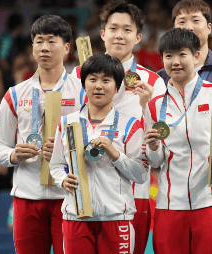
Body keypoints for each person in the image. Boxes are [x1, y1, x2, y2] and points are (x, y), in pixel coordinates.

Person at [71, 1, 165, 252]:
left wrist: (147, 106)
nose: (119, 35)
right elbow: (65, 130)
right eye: (113, 28)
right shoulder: (78, 76)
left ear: (138, 37)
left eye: (127, 29)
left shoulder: (153, 82)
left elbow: (159, 149)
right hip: (86, 192)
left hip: (135, 193)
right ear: (103, 34)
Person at [144, 28, 212, 254]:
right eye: (168, 56)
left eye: (182, 54)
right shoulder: (155, 105)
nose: (175, 62)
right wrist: (153, 146)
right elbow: (156, 160)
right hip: (170, 204)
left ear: (196, 56)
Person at [0, 15, 85, 254]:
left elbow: (95, 141)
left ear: (66, 48)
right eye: (39, 41)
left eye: (52, 41)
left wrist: (66, 152)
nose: (44, 47)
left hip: (69, 196)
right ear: (32, 47)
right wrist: (13, 155)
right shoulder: (14, 94)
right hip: (27, 198)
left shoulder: (84, 92)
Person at [50, 53, 148, 253]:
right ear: (84, 84)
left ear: (117, 87)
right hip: (75, 217)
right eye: (92, 79)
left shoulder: (130, 125)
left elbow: (141, 174)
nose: (98, 86)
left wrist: (115, 154)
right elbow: (56, 165)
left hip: (116, 218)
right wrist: (62, 180)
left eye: (106, 80)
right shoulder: (67, 123)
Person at [157, 0, 212, 90]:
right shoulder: (160, 79)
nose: (189, 27)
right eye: (182, 22)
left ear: (209, 28)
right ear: (174, 30)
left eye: (196, 20)